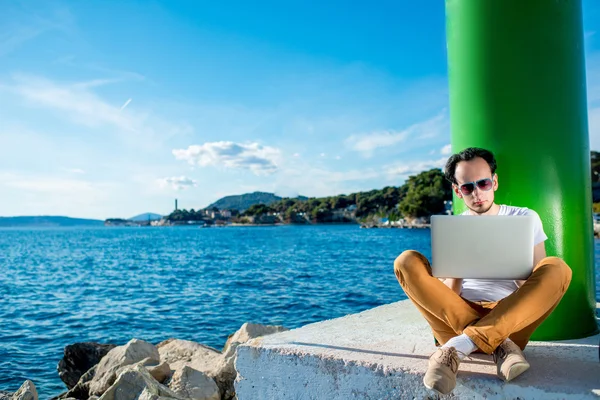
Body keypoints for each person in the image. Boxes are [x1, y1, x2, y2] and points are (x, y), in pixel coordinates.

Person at [393, 147, 572, 395]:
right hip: (458, 316)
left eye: (483, 183)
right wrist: (457, 266)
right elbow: (447, 296)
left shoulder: (525, 217)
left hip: (510, 318)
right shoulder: (454, 227)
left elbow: (535, 284)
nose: (477, 193)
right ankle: (500, 347)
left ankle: (459, 346)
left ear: (494, 182)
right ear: (457, 190)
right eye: (467, 187)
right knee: (406, 261)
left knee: (557, 268)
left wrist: (510, 262)